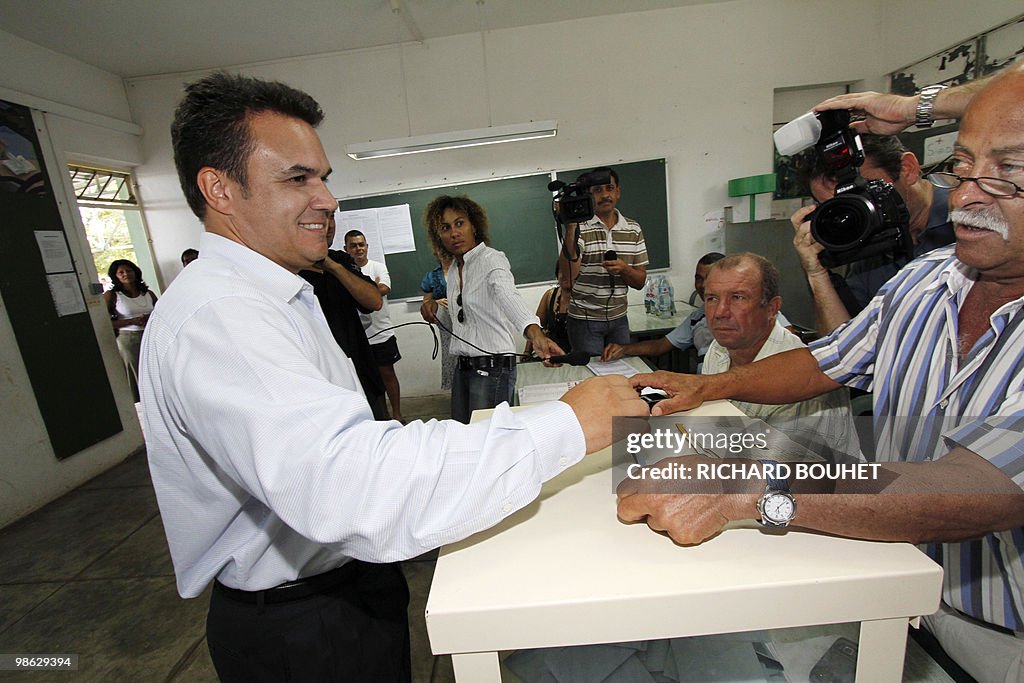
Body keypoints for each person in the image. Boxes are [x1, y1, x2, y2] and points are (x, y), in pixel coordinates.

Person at [142, 71, 646, 682]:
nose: (326, 199)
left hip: (344, 589)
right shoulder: (218, 317)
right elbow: (351, 483)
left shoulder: (273, 294)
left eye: (323, 178)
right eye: (297, 178)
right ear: (218, 189)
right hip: (302, 628)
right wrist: (568, 423)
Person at [622, 69, 1024, 682]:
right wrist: (710, 385)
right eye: (964, 168)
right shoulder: (926, 278)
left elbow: (977, 490)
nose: (969, 195)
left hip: (1004, 634)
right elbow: (825, 360)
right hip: (901, 589)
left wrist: (758, 487)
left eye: (1008, 173)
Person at [422, 194, 566, 423]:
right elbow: (465, 316)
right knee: (464, 436)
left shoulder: (491, 260)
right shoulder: (453, 271)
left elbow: (508, 295)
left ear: (474, 226)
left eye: (460, 223)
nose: (454, 232)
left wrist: (535, 333)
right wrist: (431, 309)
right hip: (463, 369)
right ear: (438, 236)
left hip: (492, 370)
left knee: (487, 440)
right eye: (445, 227)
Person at [790, 134, 954, 333]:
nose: (855, 214)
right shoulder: (867, 247)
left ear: (907, 169)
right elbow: (841, 348)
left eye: (860, 197)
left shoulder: (969, 221)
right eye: (839, 206)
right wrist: (817, 273)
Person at [299, 212, 388, 420]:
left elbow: (374, 300)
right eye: (320, 218)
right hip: (323, 378)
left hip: (360, 366)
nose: (328, 225)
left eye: (331, 217)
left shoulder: (341, 260)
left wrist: (333, 266)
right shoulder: (289, 268)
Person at [557, 167, 649, 356]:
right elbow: (568, 276)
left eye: (609, 188)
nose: (605, 195)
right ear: (588, 195)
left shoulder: (633, 229)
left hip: (619, 319)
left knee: (621, 376)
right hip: (584, 321)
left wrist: (625, 270)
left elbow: (640, 282)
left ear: (618, 191)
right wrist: (571, 227)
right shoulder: (579, 228)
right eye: (597, 190)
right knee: (592, 379)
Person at [602, 252, 725, 368]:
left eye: (709, 278)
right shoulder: (697, 317)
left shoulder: (739, 316)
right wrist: (623, 349)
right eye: (698, 278)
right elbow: (661, 345)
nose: (702, 285)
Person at [344, 229, 403, 422]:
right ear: (346, 249)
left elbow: (384, 289)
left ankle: (397, 414)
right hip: (358, 337)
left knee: (387, 374)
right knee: (368, 380)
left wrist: (359, 292)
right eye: (353, 245)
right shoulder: (344, 272)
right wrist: (370, 289)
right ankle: (382, 416)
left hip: (381, 332)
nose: (358, 248)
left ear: (367, 246)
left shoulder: (377, 267)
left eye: (361, 244)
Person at [104, 258, 157, 402]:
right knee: (136, 372)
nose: (126, 274)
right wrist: (131, 321)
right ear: (115, 276)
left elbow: (160, 313)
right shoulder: (113, 295)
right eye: (121, 272)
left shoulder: (148, 293)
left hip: (149, 335)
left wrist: (149, 318)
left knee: (154, 370)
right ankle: (141, 402)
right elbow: (104, 322)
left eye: (128, 270)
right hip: (129, 338)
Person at [419, 253, 455, 391]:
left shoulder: (463, 270)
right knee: (449, 353)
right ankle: (454, 388)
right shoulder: (432, 276)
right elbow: (426, 303)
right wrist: (436, 302)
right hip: (445, 320)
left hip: (466, 318)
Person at [526, 261, 572, 356]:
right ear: (557, 274)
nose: (566, 277)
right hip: (552, 355)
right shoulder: (549, 295)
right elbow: (536, 326)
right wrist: (527, 352)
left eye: (570, 273)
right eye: (562, 272)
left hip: (578, 356)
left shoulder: (586, 297)